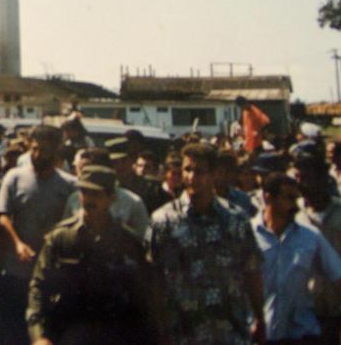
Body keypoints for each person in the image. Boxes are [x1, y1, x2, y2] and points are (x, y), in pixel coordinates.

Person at [146, 143, 265, 344]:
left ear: (214, 174)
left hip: (229, 332)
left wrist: (259, 318)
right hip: (182, 332)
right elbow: (154, 278)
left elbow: (251, 271)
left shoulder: (236, 220)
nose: (191, 177)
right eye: (187, 169)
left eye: (199, 171)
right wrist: (160, 327)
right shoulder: (163, 221)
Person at [27, 165, 154, 345]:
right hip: (67, 332)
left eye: (96, 194)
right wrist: (39, 335)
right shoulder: (61, 238)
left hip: (113, 334)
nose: (89, 199)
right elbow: (38, 286)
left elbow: (143, 297)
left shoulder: (128, 242)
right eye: (84, 192)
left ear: (112, 198)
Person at [0, 126, 78, 344]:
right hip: (17, 269)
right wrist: (17, 243)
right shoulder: (14, 177)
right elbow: (3, 216)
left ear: (56, 151)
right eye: (34, 149)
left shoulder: (69, 185)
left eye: (44, 150)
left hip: (50, 273)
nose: (37, 155)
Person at [253, 173, 341, 343]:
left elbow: (337, 275)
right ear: (268, 197)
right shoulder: (247, 235)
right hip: (261, 335)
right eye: (289, 198)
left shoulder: (310, 237)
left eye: (296, 198)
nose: (295, 205)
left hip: (302, 334)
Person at [293, 143, 341, 344]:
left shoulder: (339, 212)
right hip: (305, 312)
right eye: (297, 177)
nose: (300, 184)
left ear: (322, 178)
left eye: (306, 178)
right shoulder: (294, 215)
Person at [63, 147, 149, 238]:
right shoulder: (74, 199)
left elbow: (140, 238)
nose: (85, 176)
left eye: (91, 171)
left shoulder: (133, 203)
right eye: (81, 171)